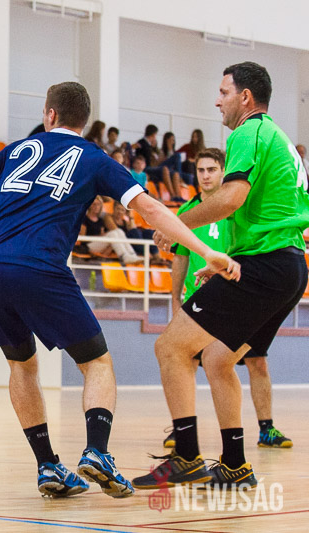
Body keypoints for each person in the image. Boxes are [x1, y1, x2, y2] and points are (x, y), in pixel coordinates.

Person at [0, 81, 239, 499]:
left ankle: (48, 465)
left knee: (21, 366)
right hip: (42, 267)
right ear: (84, 120)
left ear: (50, 114)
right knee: (97, 362)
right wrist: (206, 251)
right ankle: (97, 452)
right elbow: (151, 210)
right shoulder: (95, 158)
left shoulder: (13, 150)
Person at [133, 62, 309, 491]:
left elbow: (230, 199)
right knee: (217, 359)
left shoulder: (248, 132)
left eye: (224, 92)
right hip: (287, 266)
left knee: (170, 347)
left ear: (245, 97)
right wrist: (225, 260)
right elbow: (263, 212)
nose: (217, 101)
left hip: (267, 264)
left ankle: (187, 457)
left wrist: (176, 224)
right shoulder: (279, 138)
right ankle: (234, 465)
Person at [160, 148, 292, 450]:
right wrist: (175, 296)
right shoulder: (187, 212)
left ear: (224, 172)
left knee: (255, 361)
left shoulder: (235, 204)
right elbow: (180, 257)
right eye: (201, 170)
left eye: (212, 170)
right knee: (184, 359)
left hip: (236, 292)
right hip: (200, 297)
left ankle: (266, 429)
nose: (205, 176)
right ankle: (183, 431)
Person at [80, 197, 142, 264]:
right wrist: (101, 236)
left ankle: (132, 254)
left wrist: (103, 236)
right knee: (112, 234)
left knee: (119, 231)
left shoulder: (100, 220)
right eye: (94, 204)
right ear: (89, 205)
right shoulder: (84, 219)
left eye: (98, 204)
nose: (96, 206)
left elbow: (102, 234)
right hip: (88, 245)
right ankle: (124, 256)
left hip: (99, 244)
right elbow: (83, 239)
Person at [135, 125, 179, 201]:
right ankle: (173, 195)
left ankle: (178, 196)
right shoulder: (141, 143)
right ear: (153, 134)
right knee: (166, 167)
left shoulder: (154, 148)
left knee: (175, 174)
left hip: (155, 167)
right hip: (146, 168)